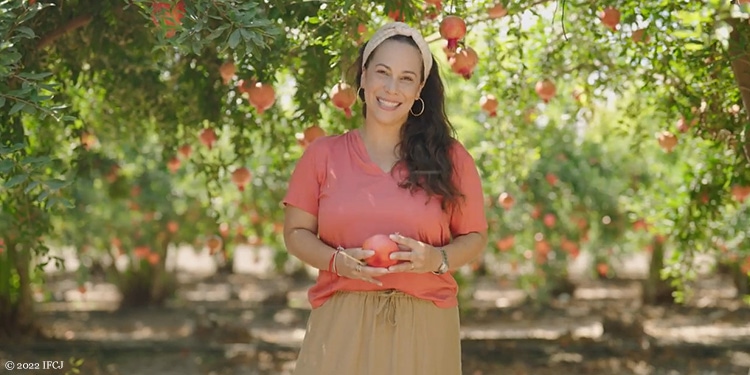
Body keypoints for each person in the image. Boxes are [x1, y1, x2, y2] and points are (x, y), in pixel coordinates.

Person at [282, 21, 488, 375]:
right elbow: (295, 233)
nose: (392, 88)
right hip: (341, 321)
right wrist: (336, 262)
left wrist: (435, 259)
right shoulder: (322, 155)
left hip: (425, 323)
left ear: (419, 88)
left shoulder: (450, 158)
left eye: (406, 78)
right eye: (382, 72)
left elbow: (474, 237)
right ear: (363, 77)